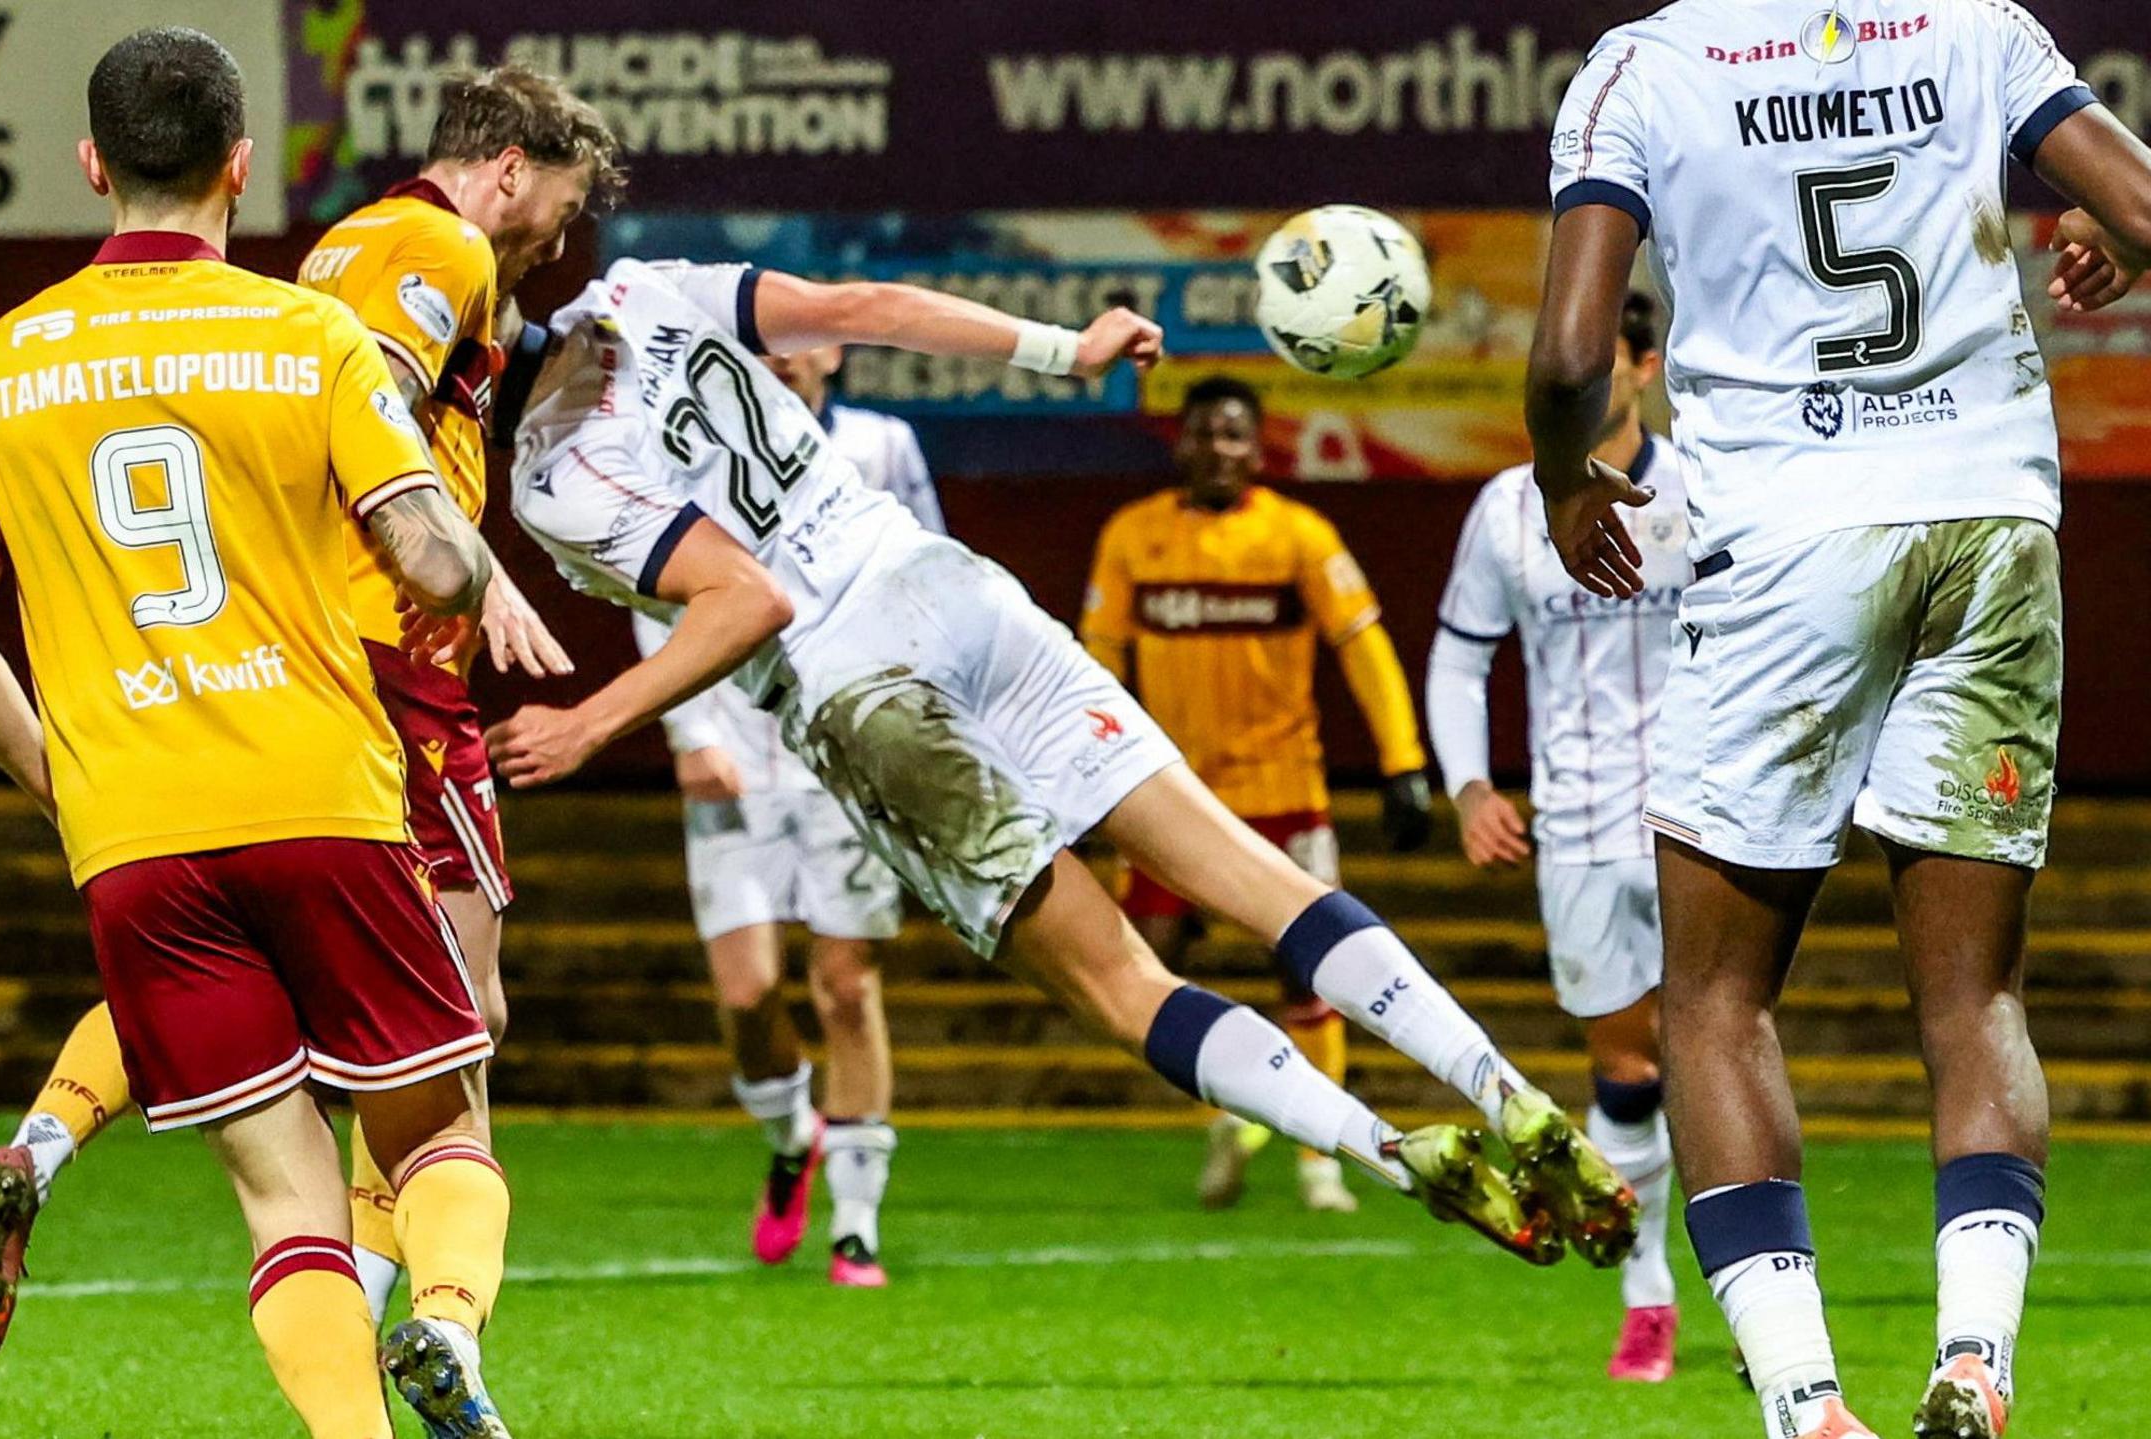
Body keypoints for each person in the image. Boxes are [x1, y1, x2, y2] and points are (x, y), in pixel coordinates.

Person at [476, 255, 1642, 1272]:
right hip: (952, 590)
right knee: (1255, 874)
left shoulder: (542, 477)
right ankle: (1500, 1084)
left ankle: (1382, 1150)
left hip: (855, 686)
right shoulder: (646, 287)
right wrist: (1063, 348)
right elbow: (866, 304)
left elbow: (745, 601)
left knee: (1122, 981)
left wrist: (587, 724)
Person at [1529, 4, 2149, 1435]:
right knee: (1975, 996)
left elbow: (1571, 360)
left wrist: (1568, 479)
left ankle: (1808, 1402)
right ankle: (1978, 1357)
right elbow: (2142, 205)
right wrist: (2126, 243)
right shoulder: (1974, 25)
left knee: (1714, 997)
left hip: (1790, 544)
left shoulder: (1645, 65)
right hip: (1993, 522)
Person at [0, 62, 620, 1354]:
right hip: (377, 663)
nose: (553, 235)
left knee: (222, 959)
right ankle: (417, 1315)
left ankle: (44, 1137)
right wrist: (476, 577)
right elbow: (380, 387)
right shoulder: (438, 242)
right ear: (511, 168)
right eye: (560, 205)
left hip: (195, 719)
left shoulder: (342, 243)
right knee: (459, 1015)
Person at [1082, 374, 1434, 1215]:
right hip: (1170, 798)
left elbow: (1363, 644)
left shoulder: (1299, 534)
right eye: (1203, 433)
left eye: (1235, 434)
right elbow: (1095, 665)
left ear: (1258, 444)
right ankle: (1232, 1117)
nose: (1218, 449)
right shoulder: (1133, 536)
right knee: (1153, 967)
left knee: (1310, 974)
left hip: (1285, 791)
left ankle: (1321, 1154)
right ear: (1181, 441)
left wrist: (1403, 761)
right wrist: (1086, 776)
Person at [629, 344, 943, 1288]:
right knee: (745, 993)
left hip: (847, 748)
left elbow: (932, 574)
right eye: (763, 346)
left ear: (833, 351)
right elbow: (649, 587)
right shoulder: (694, 452)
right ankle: (789, 1131)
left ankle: (856, 1223)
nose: (784, 358)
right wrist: (688, 731)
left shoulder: (884, 446)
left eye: (800, 341)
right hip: (736, 747)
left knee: (846, 985)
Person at [1428, 293, 1687, 1381]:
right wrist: (1470, 783)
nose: (1577, 386)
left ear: (1641, 363)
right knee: (1628, 1066)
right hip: (1574, 823)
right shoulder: (1502, 509)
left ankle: (1745, 1286)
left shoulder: (1709, 479)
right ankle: (1647, 1287)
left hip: (1700, 814)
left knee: (1714, 1048)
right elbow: (1456, 655)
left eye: (1596, 365)